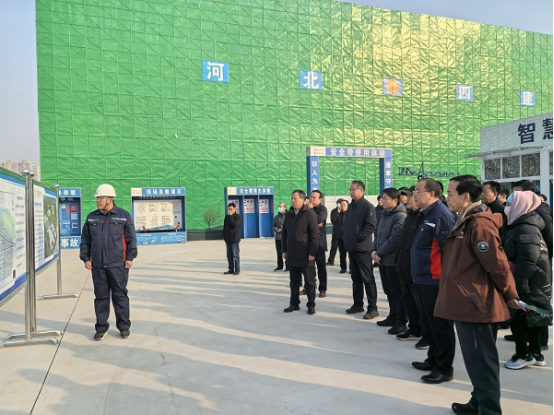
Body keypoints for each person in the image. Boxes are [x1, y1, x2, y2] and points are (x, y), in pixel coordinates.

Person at [437, 178, 521, 415]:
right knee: (476, 361)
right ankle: (477, 403)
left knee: (482, 363)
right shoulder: (465, 219)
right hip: (467, 301)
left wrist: (510, 294)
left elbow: (497, 265)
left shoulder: (479, 224)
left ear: (466, 197)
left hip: (476, 304)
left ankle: (489, 410)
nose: (447, 197)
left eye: (451, 193)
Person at [410, 179, 456, 385]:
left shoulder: (441, 216)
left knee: (440, 326)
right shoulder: (425, 214)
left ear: (431, 194)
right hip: (422, 278)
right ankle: (433, 359)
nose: (414, 194)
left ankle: (444, 368)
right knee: (429, 324)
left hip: (435, 280)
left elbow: (450, 251)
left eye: (418, 190)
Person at [80, 184, 137, 341]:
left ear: (110, 198)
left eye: (100, 198)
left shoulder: (123, 216)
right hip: (98, 265)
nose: (97, 201)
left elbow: (131, 239)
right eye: (97, 198)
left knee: (120, 296)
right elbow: (85, 240)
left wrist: (130, 257)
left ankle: (124, 327)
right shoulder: (92, 217)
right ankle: (101, 327)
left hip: (118, 265)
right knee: (100, 297)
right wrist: (85, 258)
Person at [503, 191, 552, 370]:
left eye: (510, 204)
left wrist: (520, 284)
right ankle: (536, 354)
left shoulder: (526, 228)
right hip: (533, 280)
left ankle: (523, 355)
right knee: (532, 316)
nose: (506, 208)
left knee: (519, 318)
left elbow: (528, 259)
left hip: (528, 281)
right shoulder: (520, 224)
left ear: (521, 206)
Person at [371, 188, 408, 335]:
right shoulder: (384, 214)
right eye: (382, 199)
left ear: (395, 200)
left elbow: (395, 240)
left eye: (386, 199)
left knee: (397, 292)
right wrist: (373, 250)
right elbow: (377, 234)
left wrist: (378, 252)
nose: (383, 201)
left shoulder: (400, 216)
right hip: (382, 259)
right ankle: (393, 316)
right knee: (388, 291)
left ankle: (401, 321)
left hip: (393, 260)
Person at [396, 186, 428, 350]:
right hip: (404, 265)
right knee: (408, 299)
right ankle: (414, 328)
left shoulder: (424, 218)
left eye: (412, 198)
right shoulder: (410, 216)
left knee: (421, 303)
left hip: (417, 269)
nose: (408, 201)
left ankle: (426, 334)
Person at [343, 181, 379, 320]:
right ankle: (358, 304)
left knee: (367, 278)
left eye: (353, 189)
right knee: (355, 278)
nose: (351, 192)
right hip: (352, 248)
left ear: (361, 190)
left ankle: (373, 308)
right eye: (350, 189)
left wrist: (359, 238)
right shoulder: (351, 206)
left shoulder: (367, 207)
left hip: (362, 248)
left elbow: (370, 226)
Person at [282, 190, 320, 315]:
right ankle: (294, 304)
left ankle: (311, 305)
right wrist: (284, 250)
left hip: (306, 255)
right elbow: (284, 234)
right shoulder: (288, 215)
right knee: (294, 282)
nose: (293, 201)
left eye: (295, 198)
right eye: (292, 198)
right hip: (292, 254)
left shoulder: (310, 215)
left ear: (303, 200)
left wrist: (312, 252)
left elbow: (315, 236)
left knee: (309, 282)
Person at [310, 190, 329, 298]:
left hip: (319, 243)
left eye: (314, 197)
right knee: (308, 268)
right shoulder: (306, 209)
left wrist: (311, 210)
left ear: (320, 199)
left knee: (321, 267)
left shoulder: (323, 209)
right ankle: (309, 286)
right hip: (308, 243)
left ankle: (322, 289)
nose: (311, 199)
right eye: (311, 197)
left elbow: (320, 219)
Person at [223, 203, 242, 276]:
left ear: (235, 209)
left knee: (235, 255)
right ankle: (231, 269)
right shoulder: (227, 217)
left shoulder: (238, 217)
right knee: (229, 255)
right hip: (228, 239)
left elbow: (234, 225)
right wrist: (224, 236)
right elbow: (225, 227)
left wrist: (231, 216)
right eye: (229, 209)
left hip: (234, 239)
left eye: (231, 209)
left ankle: (237, 270)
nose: (229, 211)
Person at [327, 199, 343, 266]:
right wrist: (338, 213)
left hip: (344, 233)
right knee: (334, 247)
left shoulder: (346, 211)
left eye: (340, 203)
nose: (338, 204)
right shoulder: (334, 211)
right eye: (338, 203)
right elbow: (333, 220)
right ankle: (330, 261)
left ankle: (343, 263)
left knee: (343, 249)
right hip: (336, 232)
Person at [336, 199, 349, 274]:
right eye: (341, 205)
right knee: (342, 253)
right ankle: (343, 268)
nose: (343, 206)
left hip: (349, 237)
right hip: (340, 237)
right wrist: (338, 214)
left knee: (351, 254)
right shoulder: (337, 213)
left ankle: (352, 268)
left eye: (344, 205)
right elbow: (334, 221)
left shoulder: (350, 214)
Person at [273, 203, 287, 271]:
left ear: (284, 208)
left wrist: (281, 229)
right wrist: (275, 228)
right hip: (277, 237)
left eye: (281, 207)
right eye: (279, 206)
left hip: (284, 237)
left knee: (286, 252)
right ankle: (280, 266)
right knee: (279, 252)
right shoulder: (276, 217)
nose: (279, 208)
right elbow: (274, 225)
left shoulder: (287, 216)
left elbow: (287, 226)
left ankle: (288, 266)